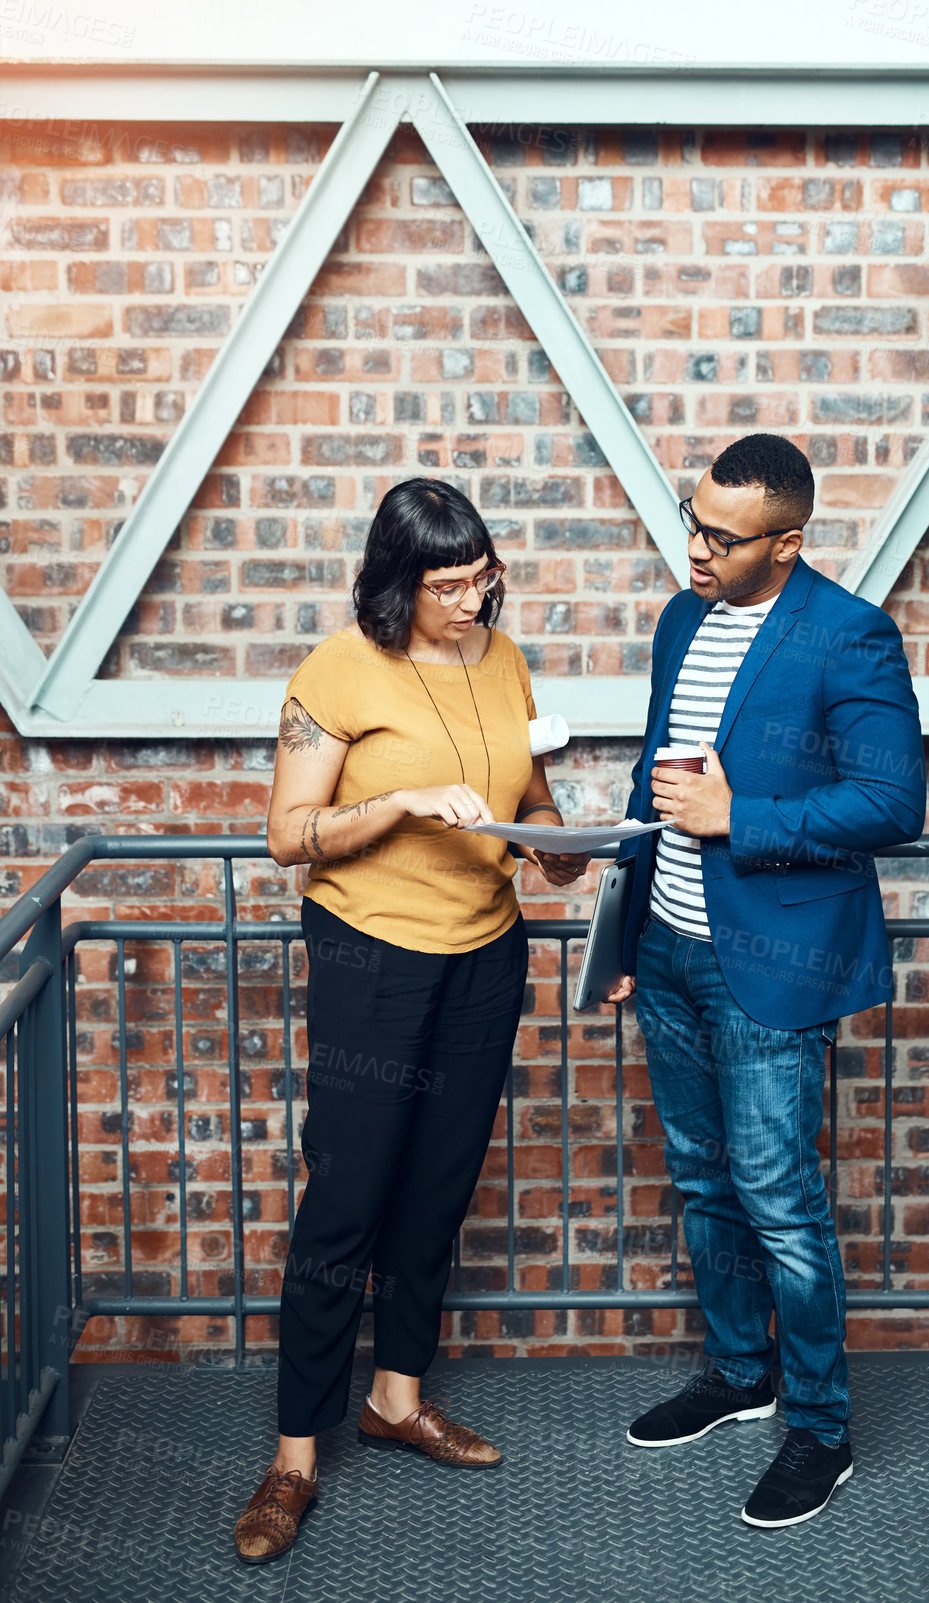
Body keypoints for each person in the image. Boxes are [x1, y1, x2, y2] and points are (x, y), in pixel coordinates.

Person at [233, 477, 589, 1566]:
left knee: (438, 1187)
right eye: (447, 587)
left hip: (486, 954)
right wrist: (395, 804)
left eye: (482, 579)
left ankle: (397, 1398)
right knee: (346, 1201)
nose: (472, 604)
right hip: (370, 958)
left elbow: (529, 799)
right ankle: (295, 1456)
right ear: (398, 584)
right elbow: (286, 836)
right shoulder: (339, 670)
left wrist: (563, 841)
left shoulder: (505, 657)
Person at [607, 433, 925, 1529]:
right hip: (669, 952)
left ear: (785, 544)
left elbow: (892, 806)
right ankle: (739, 1373)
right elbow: (659, 771)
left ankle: (821, 1429)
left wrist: (741, 818)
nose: (693, 550)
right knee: (702, 1180)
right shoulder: (682, 619)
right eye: (691, 522)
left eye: (721, 538)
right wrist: (625, 937)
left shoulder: (849, 638)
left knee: (783, 1205)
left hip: (768, 969)